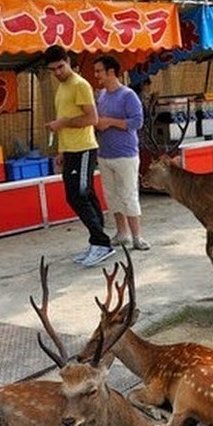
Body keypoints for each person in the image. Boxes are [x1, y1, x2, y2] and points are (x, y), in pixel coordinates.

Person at [43, 45, 115, 267]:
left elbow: (92, 119)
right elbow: (66, 118)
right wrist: (61, 151)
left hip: (84, 148)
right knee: (84, 195)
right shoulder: (62, 88)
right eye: (52, 70)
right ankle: (98, 242)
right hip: (71, 150)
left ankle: (102, 242)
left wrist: (62, 123)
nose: (57, 73)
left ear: (68, 62)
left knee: (78, 195)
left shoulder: (80, 85)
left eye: (60, 67)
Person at [93, 55, 150, 250]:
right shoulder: (100, 96)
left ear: (111, 72)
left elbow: (137, 122)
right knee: (112, 196)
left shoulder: (128, 95)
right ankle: (121, 233)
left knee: (128, 195)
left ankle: (137, 236)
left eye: (99, 71)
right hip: (105, 154)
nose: (96, 75)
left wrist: (109, 122)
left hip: (125, 154)